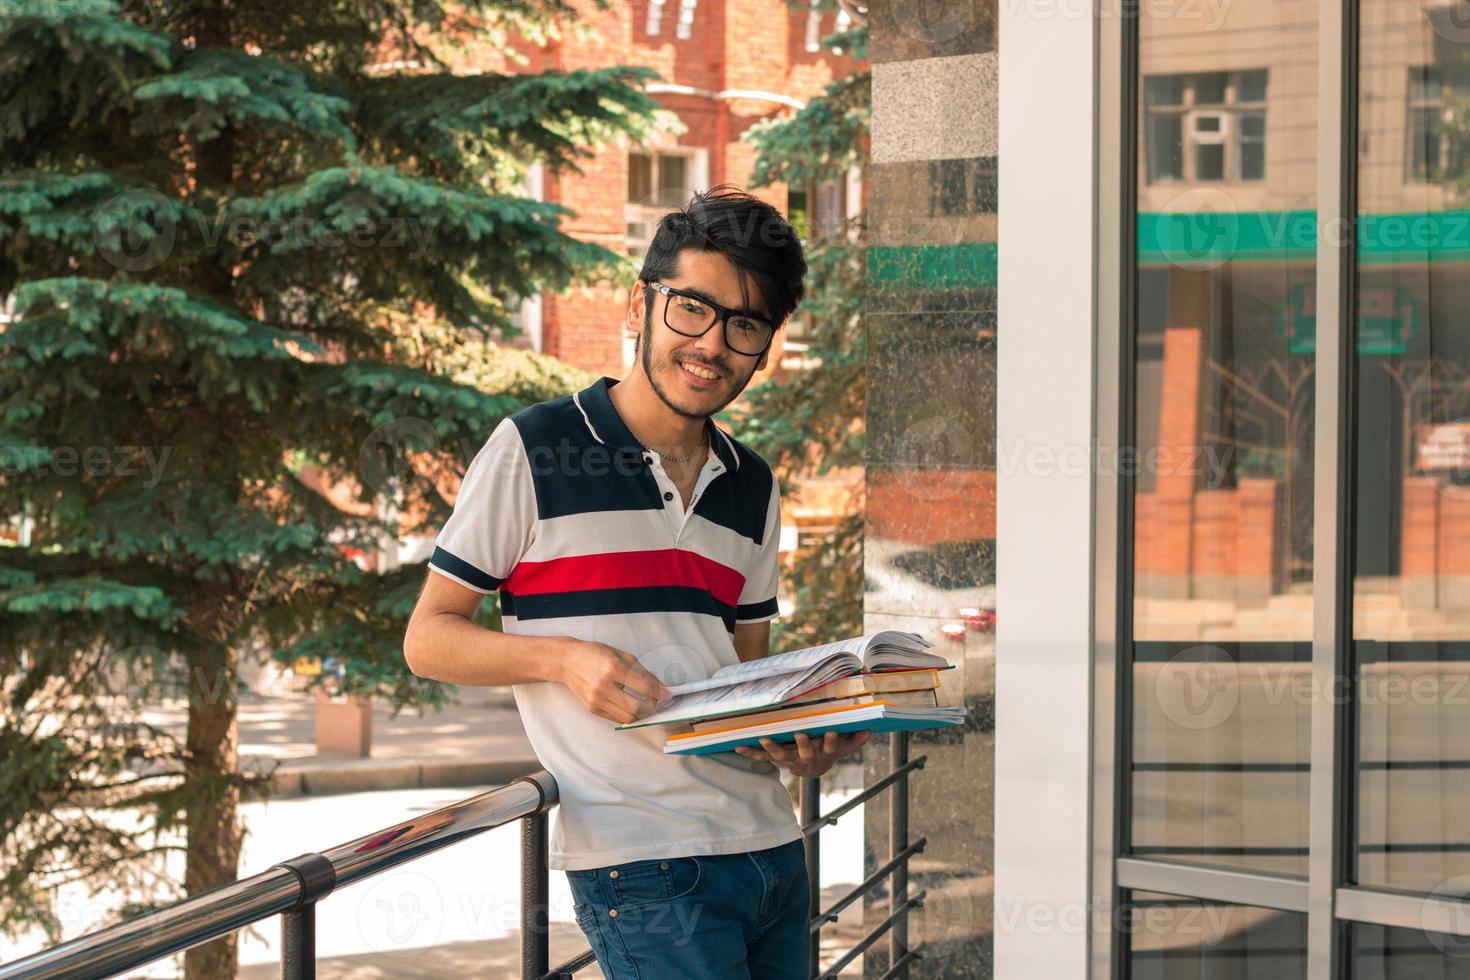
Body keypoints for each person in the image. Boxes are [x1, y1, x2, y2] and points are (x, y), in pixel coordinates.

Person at [403, 184, 871, 979]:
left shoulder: (753, 483)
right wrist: (563, 659)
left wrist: (803, 739)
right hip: (646, 866)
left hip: (774, 852)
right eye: (693, 308)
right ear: (639, 306)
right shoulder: (534, 447)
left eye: (745, 325)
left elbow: (742, 679)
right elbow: (427, 639)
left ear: (766, 345)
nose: (713, 344)